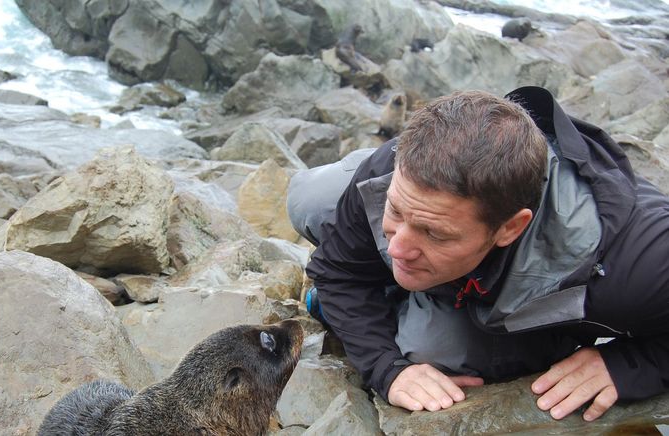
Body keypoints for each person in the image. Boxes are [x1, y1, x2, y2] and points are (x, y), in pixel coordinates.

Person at [287, 86, 669, 421]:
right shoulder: (395, 167)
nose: (397, 246)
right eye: (396, 210)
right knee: (311, 200)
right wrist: (386, 368)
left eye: (434, 232)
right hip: (463, 245)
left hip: (538, 284)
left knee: (432, 350)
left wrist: (630, 364)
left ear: (510, 228)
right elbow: (337, 272)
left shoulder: (643, 264)